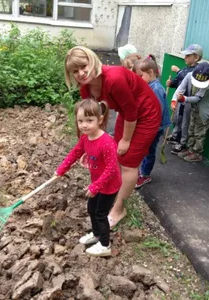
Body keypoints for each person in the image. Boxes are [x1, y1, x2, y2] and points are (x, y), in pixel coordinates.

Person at [64, 46, 162, 228]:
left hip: (146, 113)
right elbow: (94, 116)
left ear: (93, 60)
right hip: (127, 113)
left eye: (83, 66)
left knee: (128, 162)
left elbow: (132, 112)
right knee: (115, 155)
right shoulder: (85, 88)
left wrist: (126, 140)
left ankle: (118, 209)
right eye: (75, 71)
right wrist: (88, 146)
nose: (81, 73)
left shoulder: (114, 79)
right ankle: (112, 193)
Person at [55, 99, 121, 257]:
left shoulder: (106, 143)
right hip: (98, 183)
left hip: (109, 185)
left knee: (100, 213)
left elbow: (112, 169)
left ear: (100, 120)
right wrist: (61, 170)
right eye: (80, 121)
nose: (84, 125)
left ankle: (105, 245)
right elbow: (75, 153)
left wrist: (95, 187)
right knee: (91, 209)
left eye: (89, 121)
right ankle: (97, 235)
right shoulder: (86, 137)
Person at [132, 55, 171, 188]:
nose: (138, 80)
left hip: (155, 127)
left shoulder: (156, 89)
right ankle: (142, 170)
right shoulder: (148, 85)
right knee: (144, 149)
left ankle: (145, 175)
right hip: (150, 126)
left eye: (140, 76)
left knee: (149, 150)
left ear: (151, 72)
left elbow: (156, 110)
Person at [172, 62, 209, 162]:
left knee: (199, 133)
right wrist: (174, 100)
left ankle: (197, 153)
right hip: (195, 108)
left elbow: (197, 98)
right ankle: (190, 148)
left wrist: (184, 99)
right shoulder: (189, 75)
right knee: (191, 129)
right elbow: (180, 88)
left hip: (204, 111)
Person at [166, 44, 203, 155]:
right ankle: (175, 135)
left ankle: (182, 143)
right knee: (177, 118)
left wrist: (177, 71)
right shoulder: (186, 68)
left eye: (188, 56)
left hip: (188, 101)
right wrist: (171, 83)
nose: (185, 58)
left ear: (196, 57)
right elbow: (179, 81)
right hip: (180, 98)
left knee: (185, 122)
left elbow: (185, 76)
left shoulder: (197, 70)